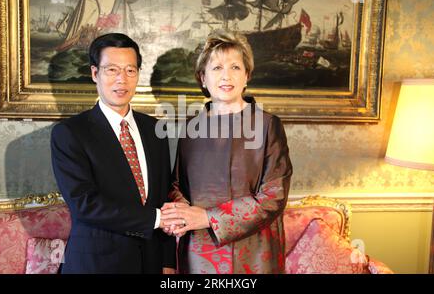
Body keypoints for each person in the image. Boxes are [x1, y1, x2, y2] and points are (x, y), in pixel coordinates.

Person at [160, 29, 293, 274]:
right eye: (217, 68)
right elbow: (177, 185)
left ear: (247, 76)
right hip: (199, 250)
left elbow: (274, 195)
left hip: (253, 252)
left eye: (235, 67)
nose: (226, 76)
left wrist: (208, 218)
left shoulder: (267, 125)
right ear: (203, 78)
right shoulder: (190, 127)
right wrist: (181, 216)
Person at [51, 33, 176, 274]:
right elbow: (84, 204)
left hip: (151, 263)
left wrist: (168, 261)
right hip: (96, 264)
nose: (122, 79)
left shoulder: (154, 129)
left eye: (130, 70)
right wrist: (156, 219)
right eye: (112, 70)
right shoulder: (70, 133)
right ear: (95, 73)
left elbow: (164, 197)